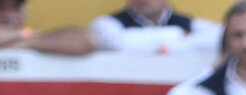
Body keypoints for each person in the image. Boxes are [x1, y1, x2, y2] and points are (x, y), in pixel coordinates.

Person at [0, 0, 96, 56]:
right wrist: (29, 38)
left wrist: (26, 41)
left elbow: (86, 40)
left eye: (16, 8)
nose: (8, 15)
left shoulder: (31, 37)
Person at [90, 0, 222, 56]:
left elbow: (222, 37)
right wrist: (177, 36)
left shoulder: (193, 24)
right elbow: (118, 44)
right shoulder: (106, 23)